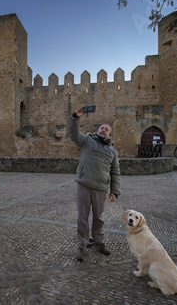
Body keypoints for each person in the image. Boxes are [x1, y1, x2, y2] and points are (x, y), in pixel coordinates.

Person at [68, 106, 121, 262]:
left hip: (100, 189)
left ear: (109, 134)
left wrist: (115, 190)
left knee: (98, 218)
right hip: (84, 185)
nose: (103, 130)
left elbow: (115, 171)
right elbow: (73, 133)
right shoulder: (86, 141)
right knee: (82, 218)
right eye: (101, 128)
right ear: (97, 131)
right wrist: (75, 117)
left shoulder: (112, 151)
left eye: (106, 129)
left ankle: (98, 241)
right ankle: (82, 246)